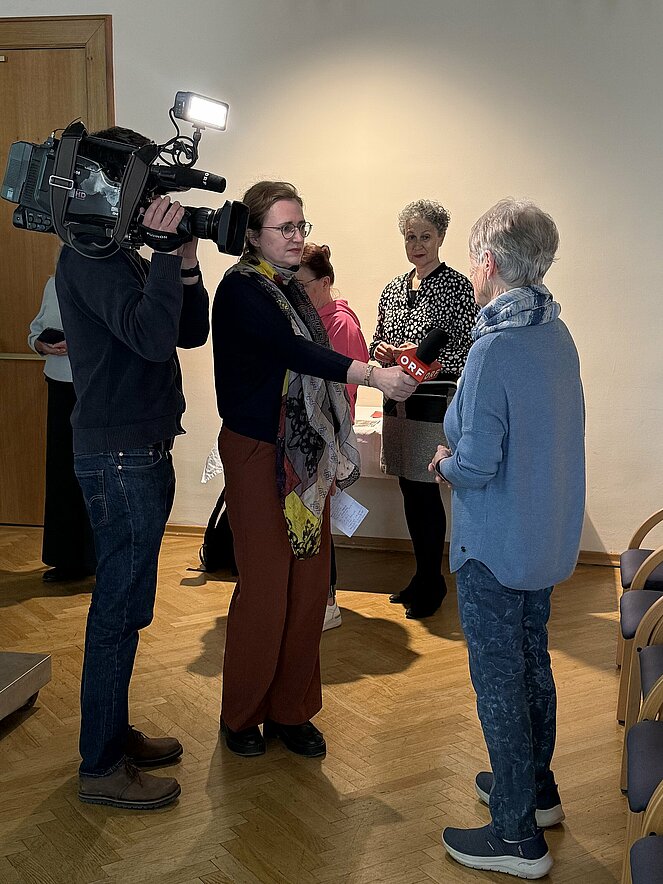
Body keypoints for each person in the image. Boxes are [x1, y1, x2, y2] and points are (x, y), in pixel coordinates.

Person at [212, 181, 416, 759]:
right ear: (253, 235)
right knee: (265, 588)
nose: (297, 237)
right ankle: (242, 714)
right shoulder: (241, 289)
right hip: (258, 450)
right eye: (285, 228)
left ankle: (291, 710)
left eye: (301, 226)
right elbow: (292, 352)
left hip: (305, 453)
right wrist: (371, 374)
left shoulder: (291, 290)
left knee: (308, 587)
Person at [55, 126, 209, 810]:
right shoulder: (89, 255)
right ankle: (100, 766)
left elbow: (188, 331)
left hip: (139, 449)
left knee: (128, 606)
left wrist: (185, 264)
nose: (152, 202)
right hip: (118, 457)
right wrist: (167, 253)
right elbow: (149, 338)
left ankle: (112, 735)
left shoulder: (118, 253)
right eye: (143, 189)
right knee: (116, 611)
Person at [430, 199, 585, 878]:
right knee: (531, 662)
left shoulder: (494, 348)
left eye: (473, 259)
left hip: (494, 544)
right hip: (543, 536)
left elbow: (477, 462)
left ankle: (516, 836)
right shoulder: (556, 332)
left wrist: (444, 464)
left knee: (498, 681)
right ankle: (535, 789)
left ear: (487, 262)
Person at [370, 199, 477, 619]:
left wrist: (422, 360)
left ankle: (433, 581)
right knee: (409, 490)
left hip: (432, 404)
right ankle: (421, 576)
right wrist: (384, 351)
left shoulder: (457, 287)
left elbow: (468, 351)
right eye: (410, 237)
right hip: (396, 401)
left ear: (441, 238)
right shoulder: (393, 288)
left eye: (425, 236)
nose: (417, 245)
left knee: (424, 491)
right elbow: (377, 340)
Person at [296, 243, 370, 631]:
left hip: (323, 434)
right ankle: (312, 598)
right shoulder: (307, 318)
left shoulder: (340, 325)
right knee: (307, 518)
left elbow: (341, 391)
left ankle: (326, 601)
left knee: (319, 519)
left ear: (325, 283)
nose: (296, 292)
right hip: (304, 434)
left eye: (303, 285)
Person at [28, 276, 96, 582]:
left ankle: (96, 559)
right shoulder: (53, 283)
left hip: (93, 386)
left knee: (94, 474)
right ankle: (66, 560)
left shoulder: (107, 279)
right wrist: (40, 344)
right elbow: (35, 330)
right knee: (61, 472)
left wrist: (78, 343)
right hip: (58, 384)